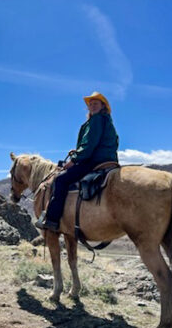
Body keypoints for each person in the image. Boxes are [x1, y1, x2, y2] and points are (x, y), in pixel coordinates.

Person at [35, 92, 119, 232]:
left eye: (96, 103)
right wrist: (78, 151)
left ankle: (52, 220)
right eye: (90, 104)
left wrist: (74, 160)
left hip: (95, 160)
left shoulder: (97, 119)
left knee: (60, 180)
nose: (92, 106)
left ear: (103, 106)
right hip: (107, 159)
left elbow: (89, 145)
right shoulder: (106, 120)